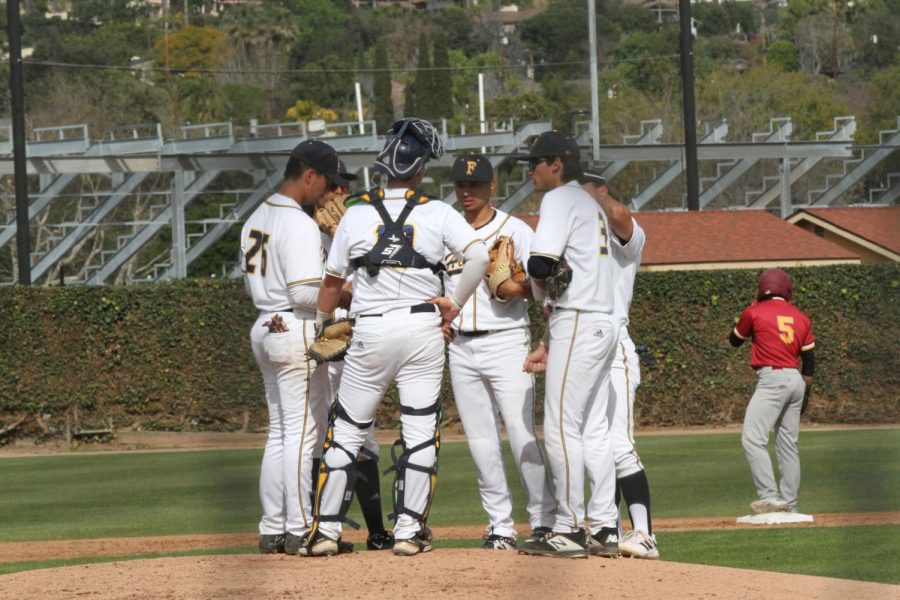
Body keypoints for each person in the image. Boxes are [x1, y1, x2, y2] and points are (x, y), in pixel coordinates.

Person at [305, 118, 489, 557]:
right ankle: (408, 531)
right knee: (420, 427)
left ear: (385, 165)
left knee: (347, 430)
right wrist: (455, 302)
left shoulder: (355, 212)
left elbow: (331, 284)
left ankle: (326, 533)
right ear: (422, 168)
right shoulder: (439, 211)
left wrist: (320, 323)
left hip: (370, 327)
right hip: (423, 326)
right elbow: (479, 256)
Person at [516, 131, 640, 559]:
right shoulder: (591, 204)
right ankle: (606, 528)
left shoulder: (560, 199)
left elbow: (540, 263)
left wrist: (524, 276)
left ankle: (567, 528)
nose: (530, 169)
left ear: (557, 164)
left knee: (560, 427)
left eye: (536, 162)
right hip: (605, 322)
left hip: (580, 319)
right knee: (593, 430)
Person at [441, 153, 556, 550]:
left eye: (475, 184)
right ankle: (500, 527)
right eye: (461, 185)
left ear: (492, 186)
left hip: (507, 338)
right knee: (481, 441)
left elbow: (547, 288)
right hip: (460, 345)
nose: (467, 191)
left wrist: (518, 287)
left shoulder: (516, 230)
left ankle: (543, 520)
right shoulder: (446, 231)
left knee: (521, 433)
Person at [240, 140, 346, 555]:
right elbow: (304, 293)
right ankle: (300, 528)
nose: (328, 193)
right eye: (327, 182)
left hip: (263, 325)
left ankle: (272, 527)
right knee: (303, 435)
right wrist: (346, 292)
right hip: (293, 325)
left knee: (280, 433)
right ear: (309, 176)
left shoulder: (255, 217)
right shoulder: (299, 224)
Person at [312, 160, 393, 551]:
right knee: (320, 438)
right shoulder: (305, 233)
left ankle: (376, 531)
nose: (337, 194)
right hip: (323, 340)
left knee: (362, 437)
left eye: (341, 186)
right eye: (332, 186)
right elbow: (315, 289)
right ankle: (316, 527)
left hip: (354, 342)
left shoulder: (359, 226)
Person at [580, 170, 658, 559]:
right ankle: (606, 528)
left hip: (615, 349)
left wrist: (588, 197)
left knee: (619, 445)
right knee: (589, 445)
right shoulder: (575, 238)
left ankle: (643, 533)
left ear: (602, 191)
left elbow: (623, 216)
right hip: (580, 349)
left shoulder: (623, 236)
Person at [730, 269, 815, 515]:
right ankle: (791, 504)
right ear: (786, 289)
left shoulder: (754, 311)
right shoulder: (801, 317)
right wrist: (806, 391)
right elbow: (809, 361)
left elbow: (734, 340)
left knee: (752, 438)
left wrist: (751, 310)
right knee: (788, 444)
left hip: (772, 379)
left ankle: (769, 496)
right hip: (796, 379)